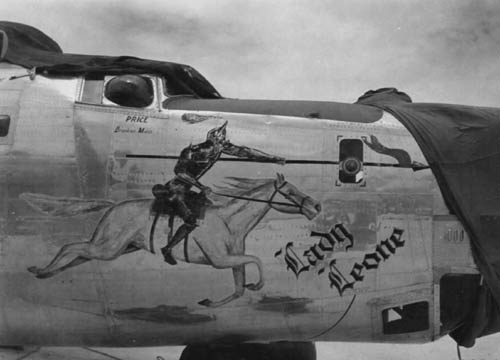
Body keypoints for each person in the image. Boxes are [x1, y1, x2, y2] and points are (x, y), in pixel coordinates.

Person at [153, 120, 286, 265]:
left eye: (224, 143)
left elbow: (246, 152)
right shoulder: (191, 151)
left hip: (188, 189)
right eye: (221, 142)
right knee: (191, 221)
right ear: (213, 142)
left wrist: (274, 159)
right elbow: (179, 172)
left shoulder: (220, 148)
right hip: (175, 189)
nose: (223, 146)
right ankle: (167, 248)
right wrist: (201, 186)